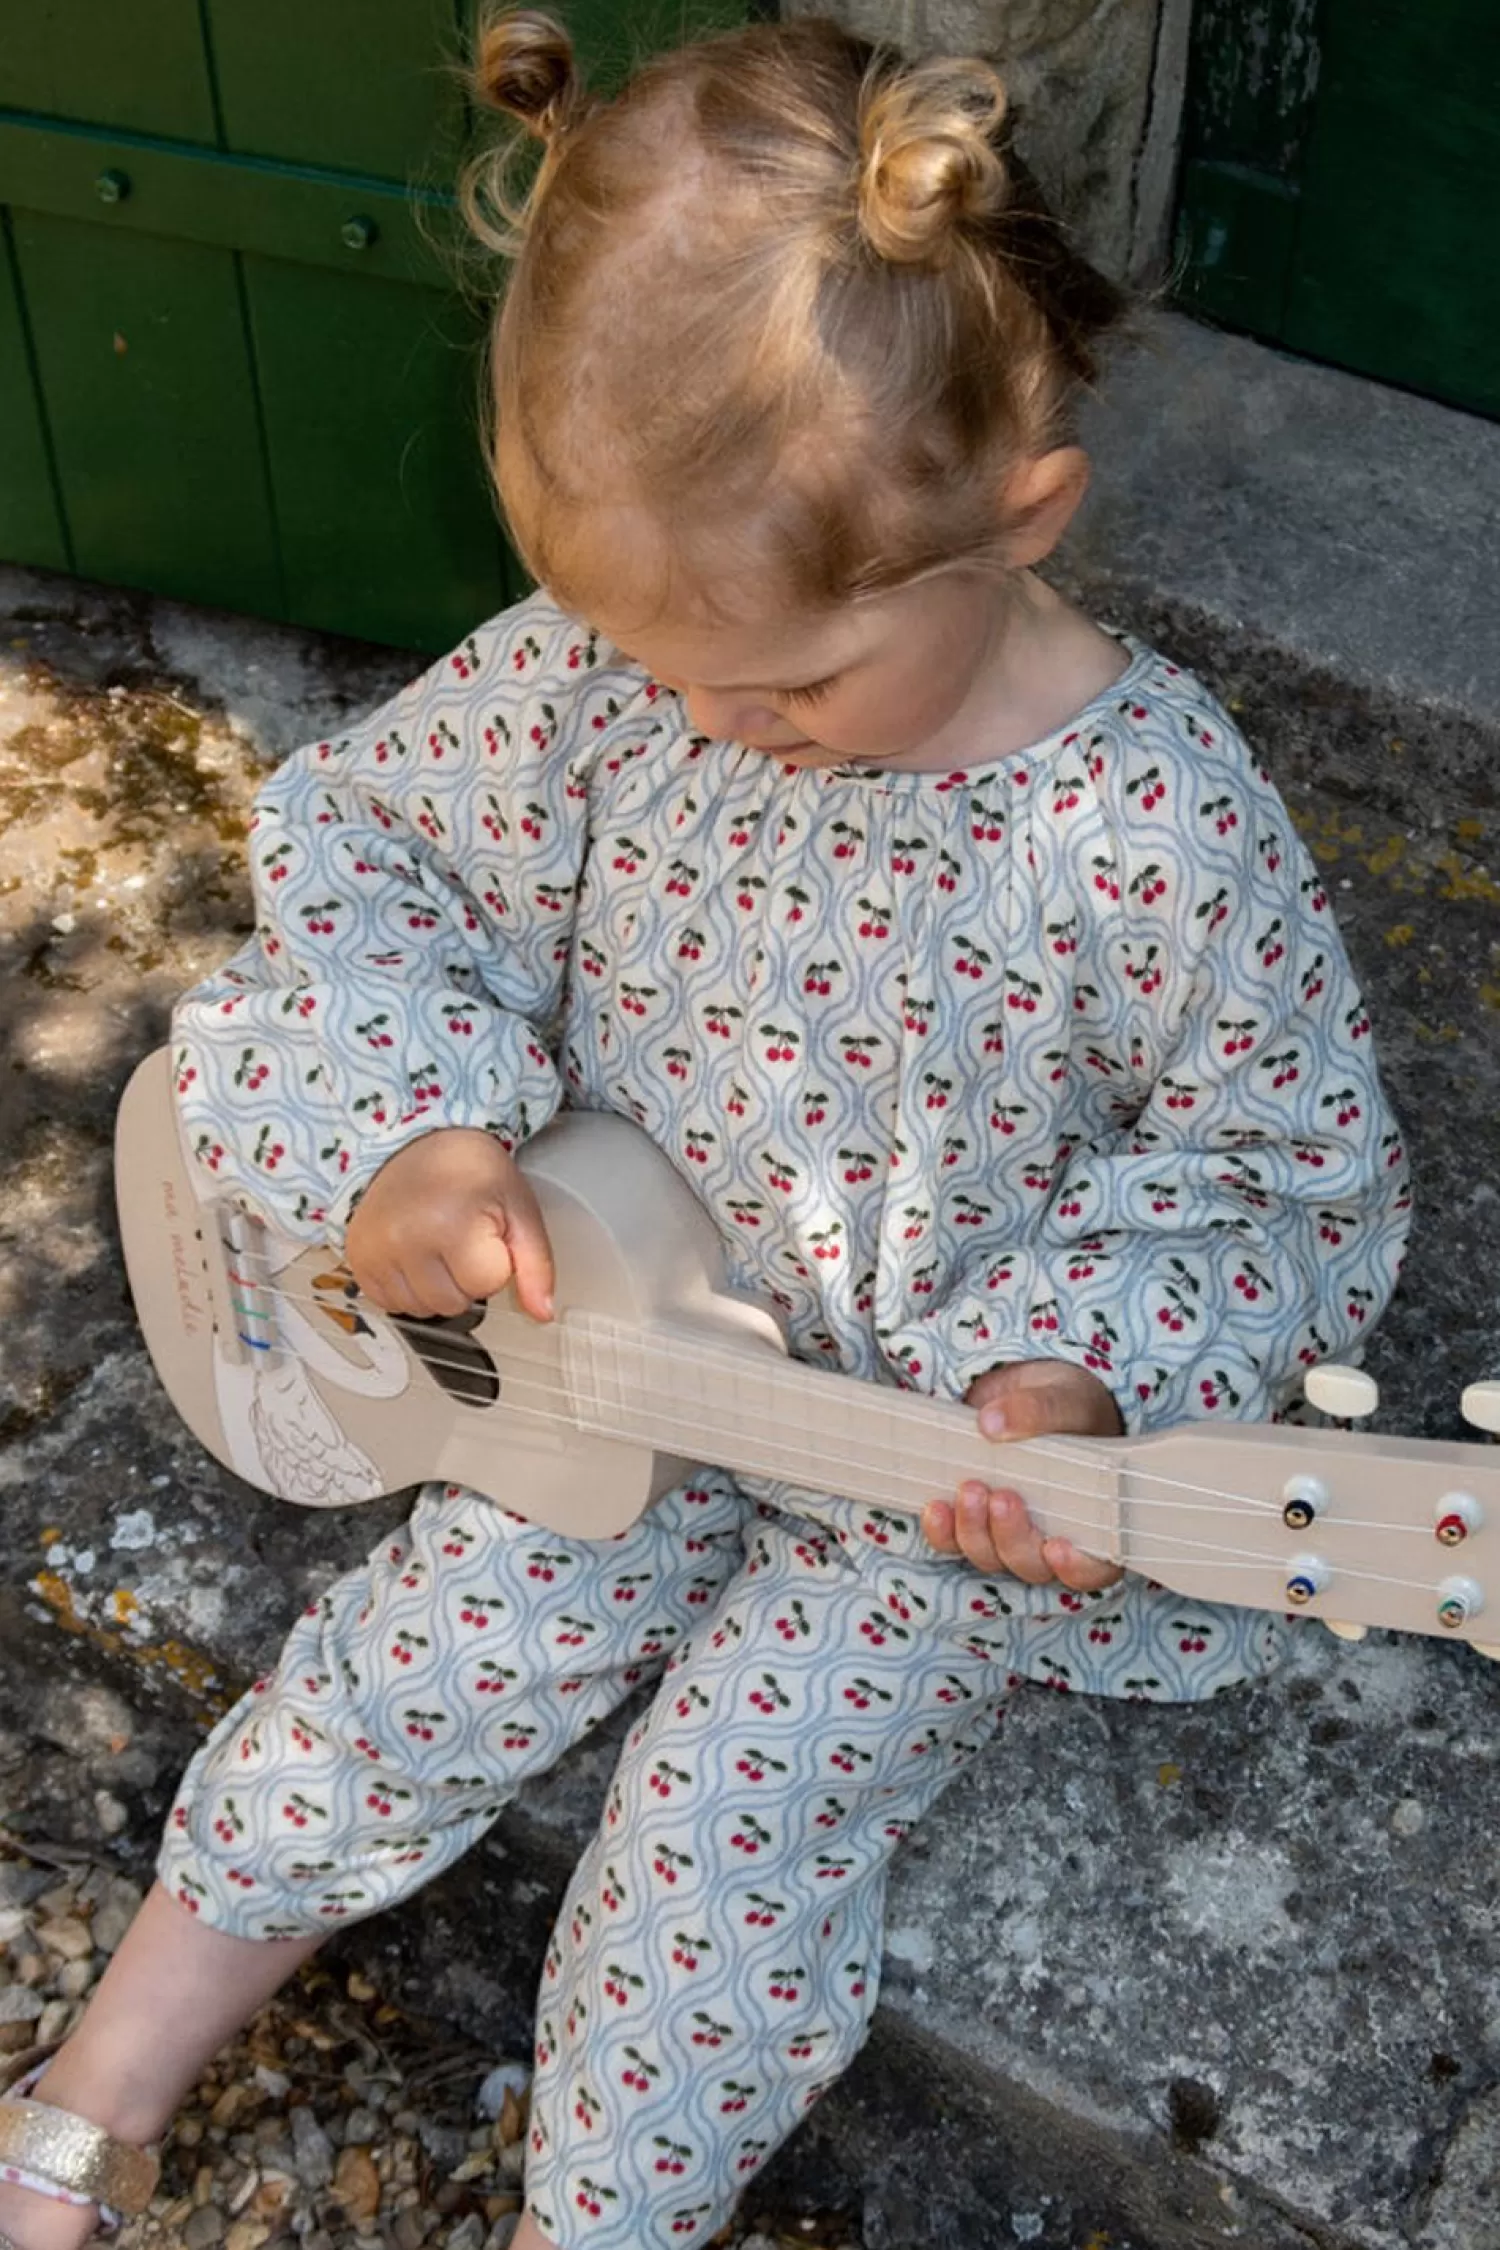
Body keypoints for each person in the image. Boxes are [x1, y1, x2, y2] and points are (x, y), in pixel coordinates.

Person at [0, 13, 1410, 2250]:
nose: (702, 721)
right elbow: (375, 864)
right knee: (412, 1663)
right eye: (650, 655)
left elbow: (1278, 1162)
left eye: (779, 685)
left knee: (724, 1831)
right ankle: (108, 2080)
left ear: (1018, 515)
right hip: (607, 1336)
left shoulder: (1142, 827)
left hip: (915, 1466)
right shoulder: (599, 680)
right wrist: (408, 1144)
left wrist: (1076, 1373)